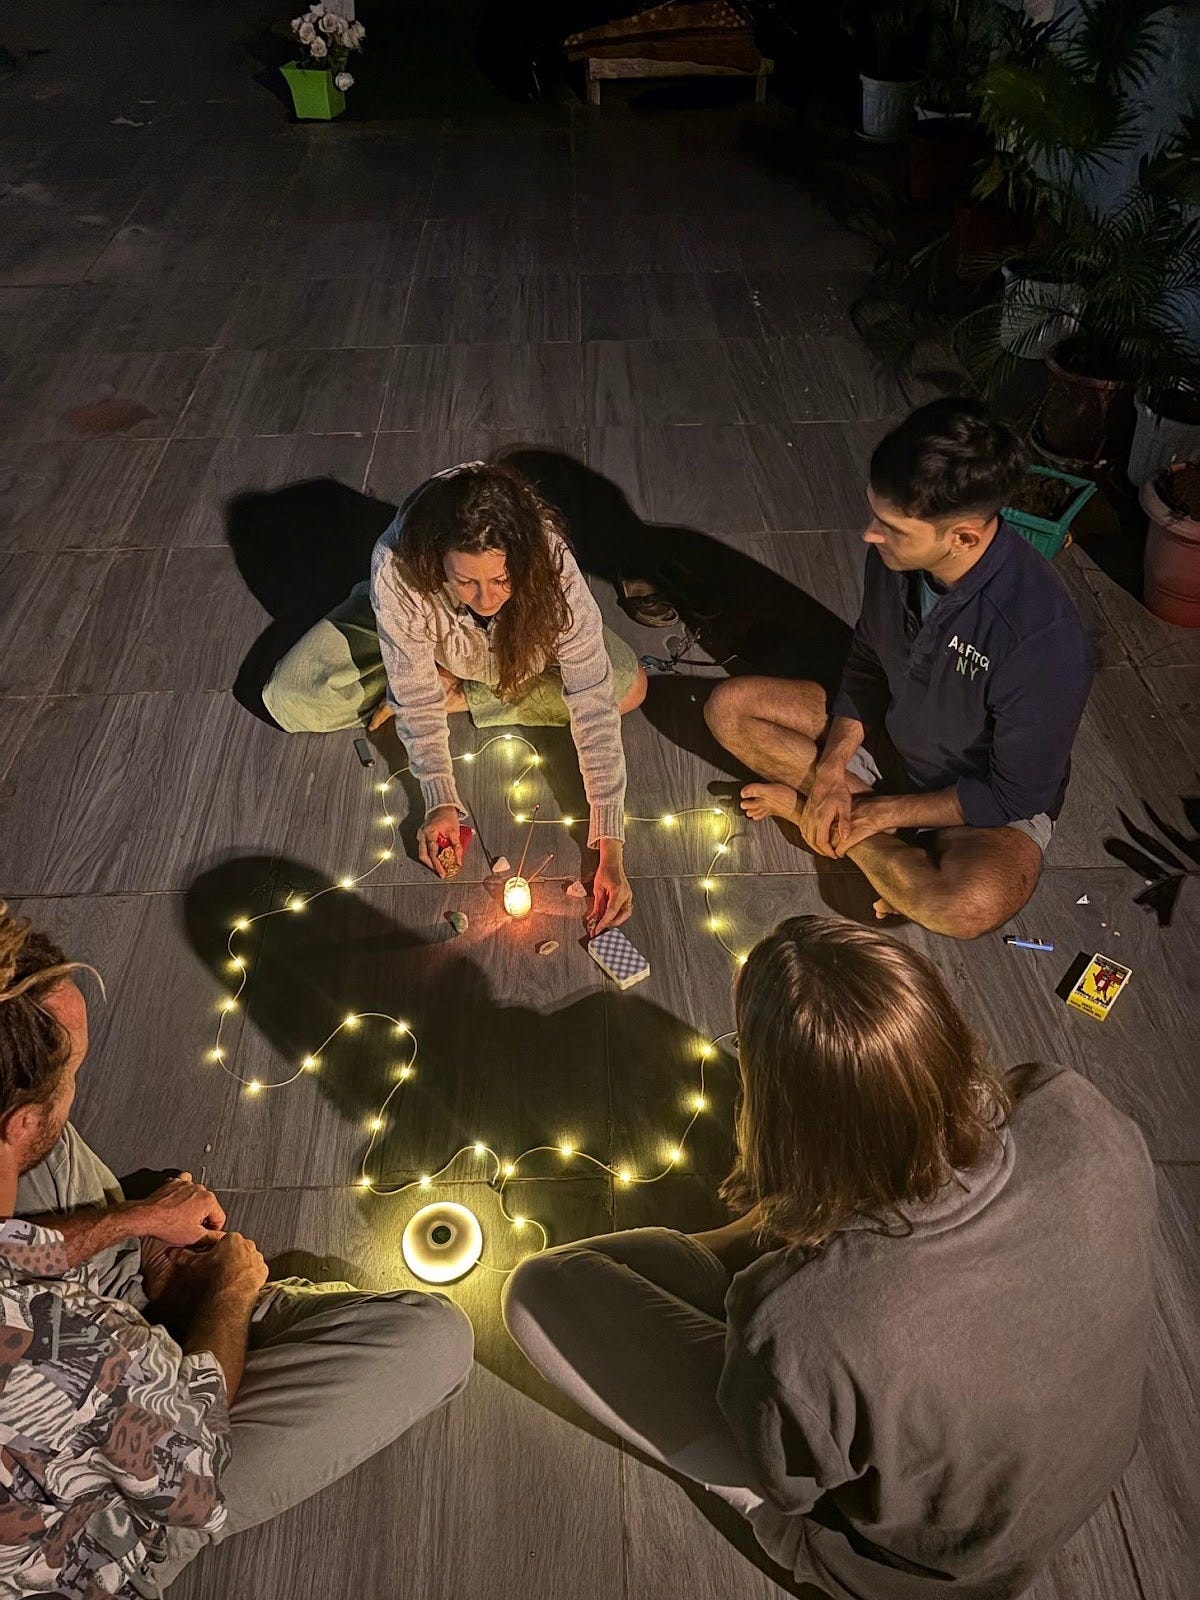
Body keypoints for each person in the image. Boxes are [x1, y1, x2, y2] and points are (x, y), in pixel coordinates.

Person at [503, 915, 1155, 1600]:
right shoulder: (1074, 1104)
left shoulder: (800, 1326)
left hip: (938, 1576)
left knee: (540, 1290)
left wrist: (770, 1317)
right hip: (1080, 1468)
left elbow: (789, 1478)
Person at [0, 902, 474, 1598]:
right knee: (435, 1339)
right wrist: (229, 1289)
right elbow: (189, 1481)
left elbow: (13, 1249)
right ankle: (212, 1310)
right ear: (18, 1120)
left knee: (51, 1154)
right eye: (74, 1077)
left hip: (89, 1359)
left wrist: (135, 1219)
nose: (72, 1091)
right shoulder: (46, 1349)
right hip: (104, 1530)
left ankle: (169, 1306)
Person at [703, 400, 1094, 939]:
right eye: (874, 515)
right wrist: (836, 765)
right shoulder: (895, 557)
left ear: (963, 537)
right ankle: (875, 848)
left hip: (974, 803)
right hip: (890, 738)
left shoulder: (1042, 639)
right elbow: (866, 659)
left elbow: (1015, 796)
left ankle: (823, 820)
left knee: (967, 907)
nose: (870, 534)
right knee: (730, 711)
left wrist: (875, 814)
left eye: (891, 527)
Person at [263, 460, 647, 932]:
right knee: (291, 696)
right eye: (466, 581)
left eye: (501, 579)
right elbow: (415, 695)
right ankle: (425, 671)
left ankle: (461, 695)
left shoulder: (552, 567)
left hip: (516, 651)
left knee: (626, 684)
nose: (486, 600)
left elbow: (590, 699)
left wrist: (609, 843)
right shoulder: (399, 566)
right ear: (435, 559)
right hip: (421, 631)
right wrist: (440, 798)